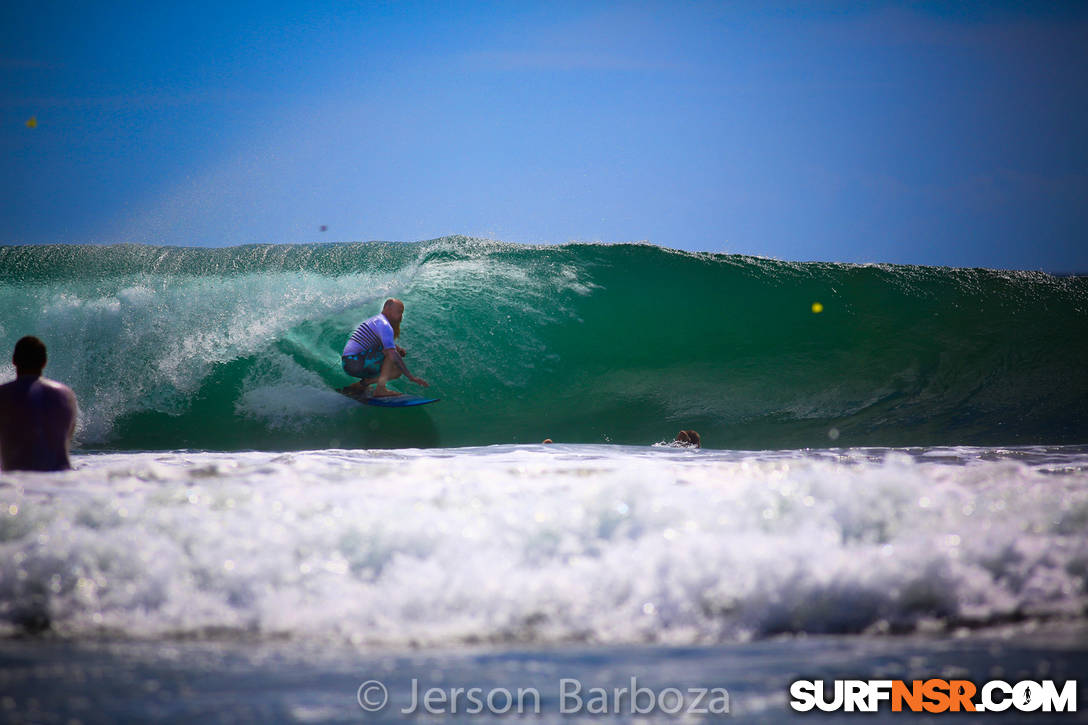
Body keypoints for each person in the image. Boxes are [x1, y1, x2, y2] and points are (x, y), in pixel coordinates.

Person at [0, 336, 78, 471]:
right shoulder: (67, 395)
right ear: (44, 362)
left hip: (20, 481)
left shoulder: (3, 394)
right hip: (63, 481)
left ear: (14, 360)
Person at [342, 298, 429, 397]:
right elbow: (391, 353)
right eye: (399, 312)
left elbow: (379, 344)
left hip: (350, 363)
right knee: (392, 357)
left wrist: (397, 348)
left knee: (395, 367)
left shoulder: (377, 321)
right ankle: (380, 390)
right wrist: (411, 377)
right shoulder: (384, 324)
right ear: (387, 308)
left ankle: (362, 385)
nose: (401, 316)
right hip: (355, 362)